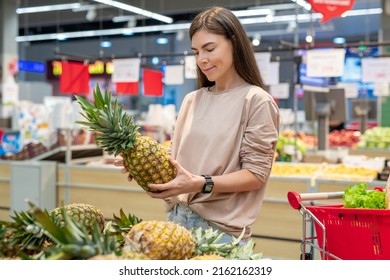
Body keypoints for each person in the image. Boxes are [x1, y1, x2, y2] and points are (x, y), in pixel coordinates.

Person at [115, 6, 280, 244]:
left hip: (221, 234)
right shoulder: (192, 100)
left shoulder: (256, 100)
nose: (202, 59)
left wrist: (201, 183)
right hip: (177, 223)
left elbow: (255, 175)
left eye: (210, 49)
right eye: (196, 52)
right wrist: (140, 161)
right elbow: (177, 157)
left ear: (233, 42)